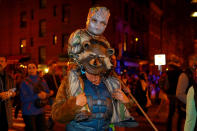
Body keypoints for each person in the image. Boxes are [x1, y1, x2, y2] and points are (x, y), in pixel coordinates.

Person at [52, 38, 137, 130]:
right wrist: (74, 105)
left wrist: (126, 102)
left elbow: (123, 115)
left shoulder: (110, 83)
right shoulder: (71, 82)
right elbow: (56, 115)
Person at [20, 62, 50, 131]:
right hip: (29, 112)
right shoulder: (24, 82)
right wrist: (37, 96)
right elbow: (23, 98)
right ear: (27, 70)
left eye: (33, 67)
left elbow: (47, 92)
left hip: (41, 110)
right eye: (29, 68)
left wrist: (45, 95)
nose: (31, 70)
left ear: (36, 69)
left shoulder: (42, 80)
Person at [176, 55, 197, 130]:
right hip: (185, 108)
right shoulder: (184, 75)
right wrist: (191, 101)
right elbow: (179, 93)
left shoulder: (192, 75)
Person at [161, 55, 182, 131]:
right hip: (178, 95)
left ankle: (169, 128)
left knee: (171, 113)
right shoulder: (180, 73)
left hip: (170, 95)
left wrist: (165, 91)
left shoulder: (167, 73)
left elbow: (162, 84)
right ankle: (178, 128)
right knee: (179, 113)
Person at [43, 60, 61, 129]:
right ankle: (48, 125)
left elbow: (59, 86)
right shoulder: (46, 76)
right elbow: (43, 86)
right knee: (55, 112)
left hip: (57, 96)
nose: (55, 68)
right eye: (53, 66)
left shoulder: (57, 76)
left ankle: (49, 125)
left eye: (56, 67)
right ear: (50, 67)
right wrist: (48, 92)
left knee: (56, 112)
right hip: (51, 97)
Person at [0, 56, 16, 131]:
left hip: (6, 108)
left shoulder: (9, 77)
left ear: (6, 63)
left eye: (2, 61)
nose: (0, 63)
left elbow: (14, 90)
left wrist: (12, 94)